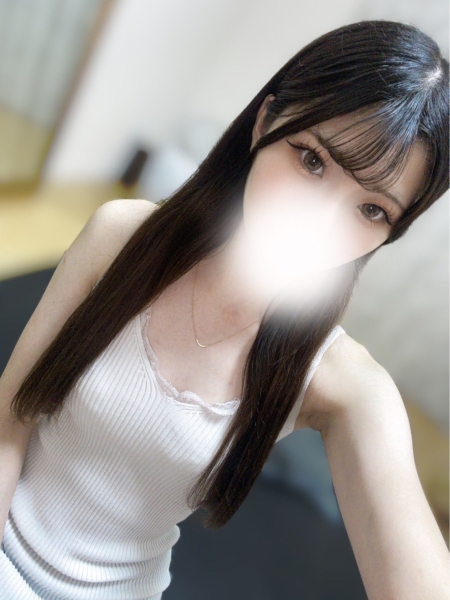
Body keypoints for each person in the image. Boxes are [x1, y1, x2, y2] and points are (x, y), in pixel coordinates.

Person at [0, 18, 448, 600]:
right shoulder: (120, 238)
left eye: (372, 211)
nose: (318, 225)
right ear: (265, 122)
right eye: (312, 160)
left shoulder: (344, 384)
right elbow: (9, 421)